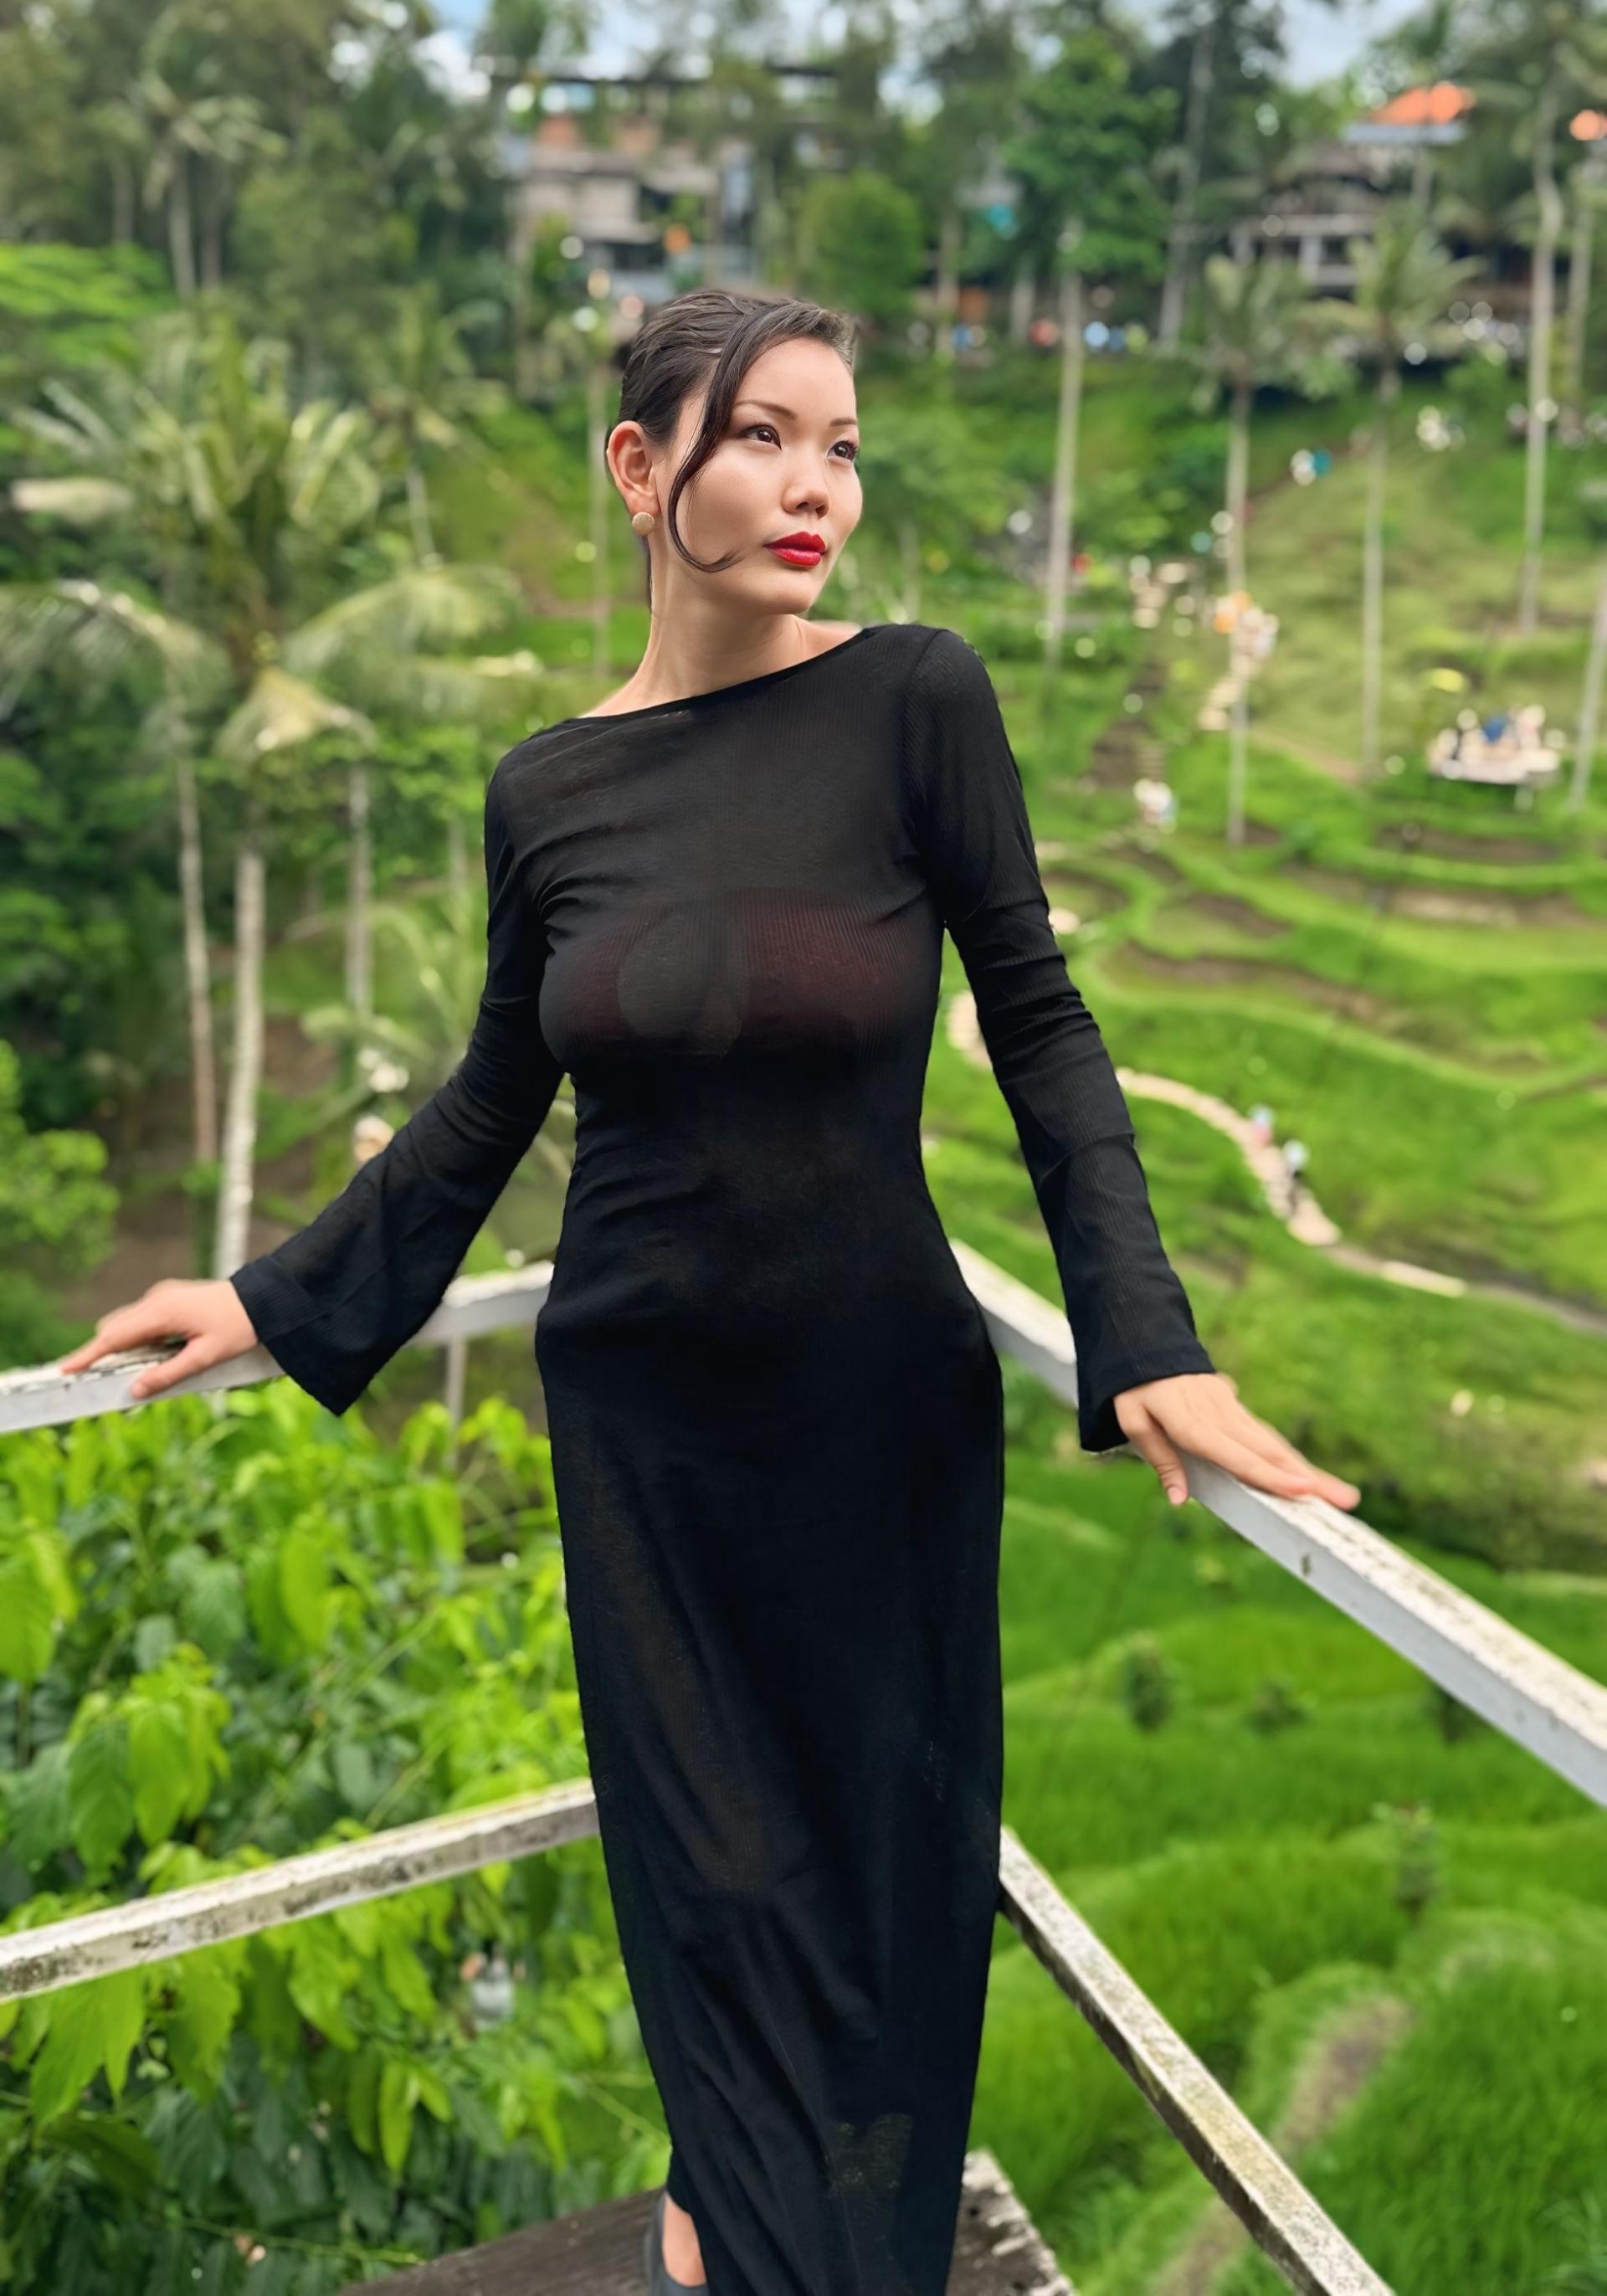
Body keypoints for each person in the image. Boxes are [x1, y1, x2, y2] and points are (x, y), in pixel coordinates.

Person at [63, 290, 1360, 2296]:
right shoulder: (549, 789)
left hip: (879, 1414)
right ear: (640, 465)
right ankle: (745, 2239)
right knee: (716, 1886)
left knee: (886, 1880)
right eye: (763, 435)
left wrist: (1147, 1343)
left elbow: (1042, 1025)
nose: (815, 484)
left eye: (841, 446)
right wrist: (269, 1298)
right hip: (649, 1429)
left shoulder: (916, 699)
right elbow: (489, 1099)